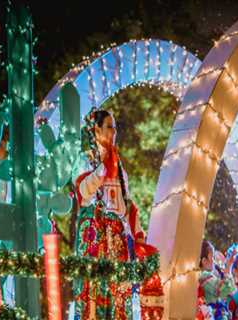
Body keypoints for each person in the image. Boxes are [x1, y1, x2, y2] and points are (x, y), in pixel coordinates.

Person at [73, 108, 160, 319]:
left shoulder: (119, 165)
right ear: (97, 130)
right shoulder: (87, 159)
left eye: (115, 128)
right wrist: (103, 169)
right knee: (94, 294)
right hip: (94, 238)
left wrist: (138, 235)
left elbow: (126, 204)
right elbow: (83, 193)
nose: (114, 132)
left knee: (119, 295)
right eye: (109, 127)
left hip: (118, 241)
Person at [198, 240, 237, 319]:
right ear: (204, 261)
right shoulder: (204, 277)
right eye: (212, 257)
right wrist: (228, 267)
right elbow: (225, 289)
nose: (214, 261)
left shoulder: (209, 276)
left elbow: (229, 290)